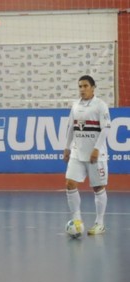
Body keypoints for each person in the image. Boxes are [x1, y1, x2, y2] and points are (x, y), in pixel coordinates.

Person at [63, 75, 111, 235]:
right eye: (80, 87)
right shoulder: (75, 105)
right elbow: (71, 127)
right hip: (77, 153)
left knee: (98, 187)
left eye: (85, 86)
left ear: (93, 87)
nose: (82, 89)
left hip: (95, 155)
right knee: (70, 184)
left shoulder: (100, 105)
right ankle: (77, 221)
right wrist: (67, 147)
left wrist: (97, 149)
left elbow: (105, 129)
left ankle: (99, 223)